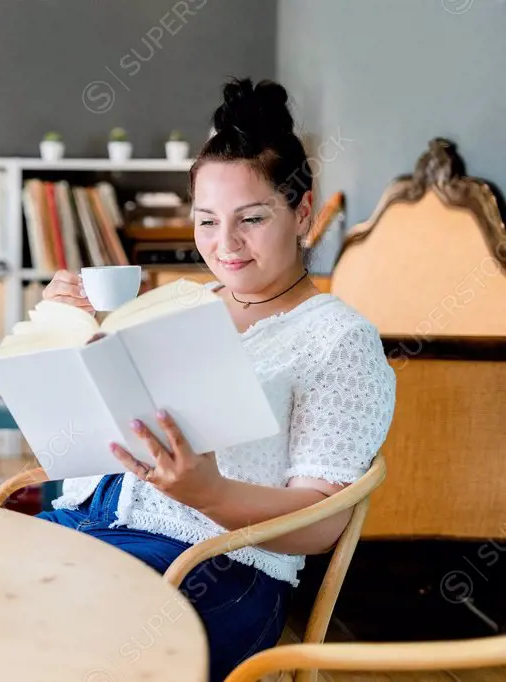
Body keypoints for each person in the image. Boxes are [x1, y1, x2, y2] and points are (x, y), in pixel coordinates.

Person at [37, 77, 397, 681]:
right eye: (206, 222)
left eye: (251, 219)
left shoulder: (339, 339)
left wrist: (208, 493)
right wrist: (57, 337)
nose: (224, 245)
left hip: (217, 565)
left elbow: (322, 522)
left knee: (52, 632)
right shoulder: (174, 305)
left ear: (302, 210)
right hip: (88, 523)